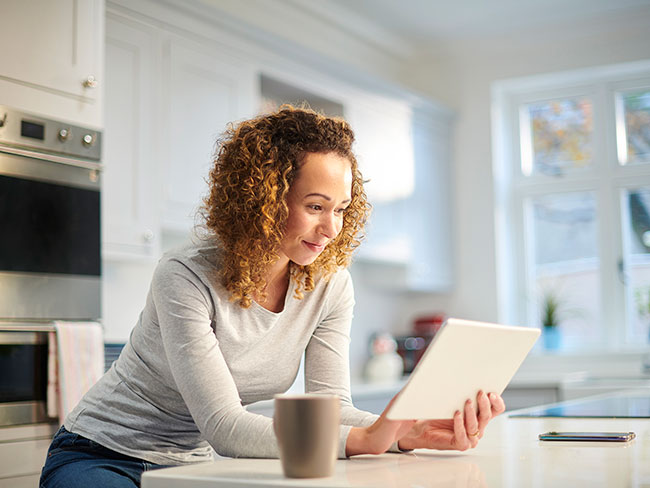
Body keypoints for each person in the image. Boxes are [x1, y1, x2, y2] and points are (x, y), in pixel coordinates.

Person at [39, 106, 505, 487]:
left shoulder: (329, 284)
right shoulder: (184, 275)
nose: (331, 229)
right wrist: (366, 438)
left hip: (191, 467)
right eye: (315, 207)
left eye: (341, 209)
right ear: (262, 198)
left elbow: (333, 407)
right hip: (102, 454)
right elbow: (224, 425)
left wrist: (407, 432)